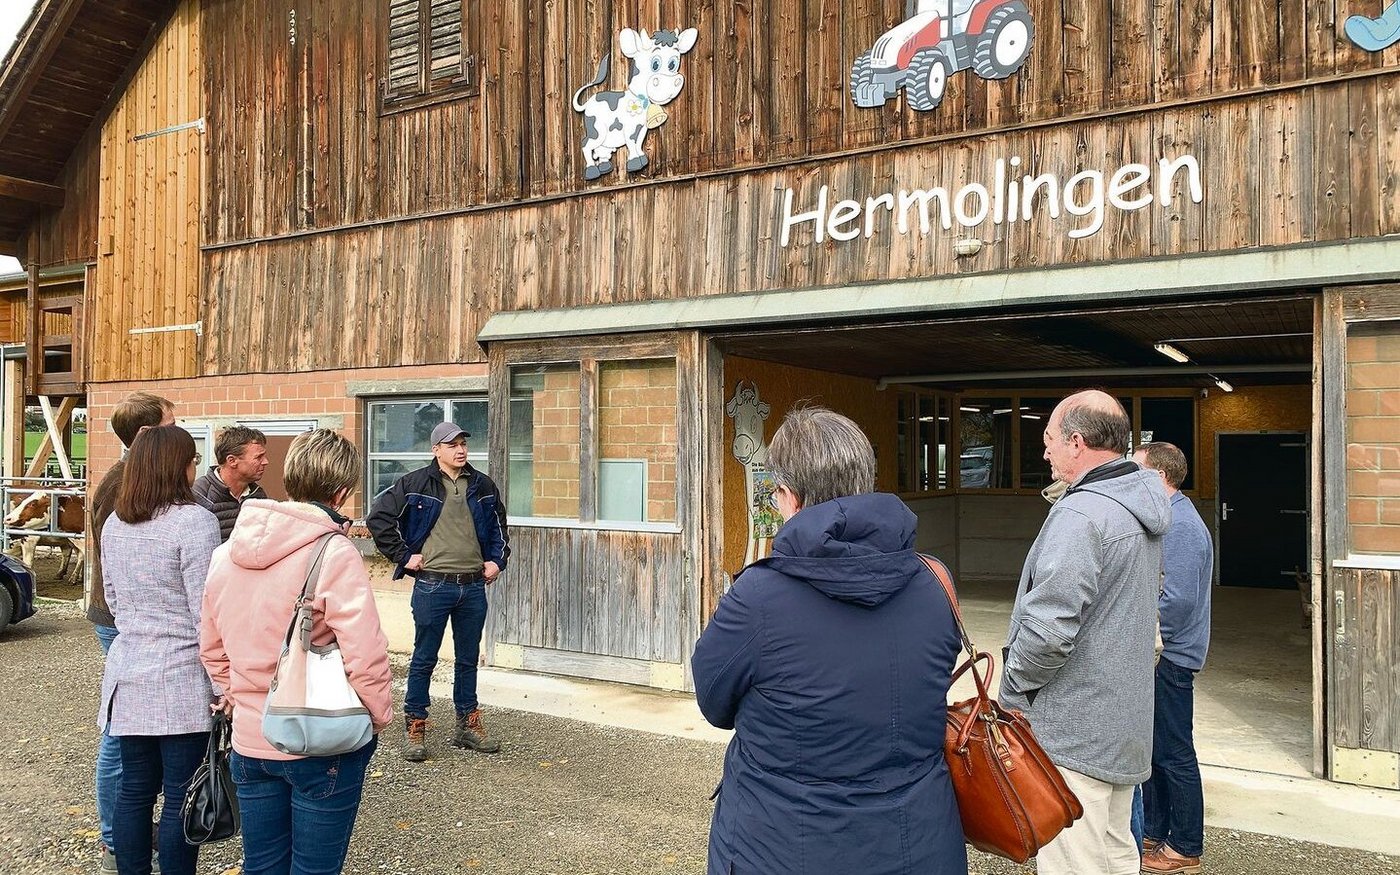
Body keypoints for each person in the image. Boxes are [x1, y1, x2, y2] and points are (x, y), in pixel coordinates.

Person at [691, 406, 967, 875]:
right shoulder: (932, 581)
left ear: (789, 496)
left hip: (781, 845)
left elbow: (714, 703)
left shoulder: (757, 597)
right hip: (919, 842)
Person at [201, 429, 394, 875]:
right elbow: (365, 653)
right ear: (343, 491)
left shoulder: (227, 552)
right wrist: (376, 716)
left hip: (250, 736)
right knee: (314, 868)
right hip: (320, 734)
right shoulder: (334, 552)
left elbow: (211, 647)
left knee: (262, 865)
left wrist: (240, 697)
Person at [998, 390, 1170, 875]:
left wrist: (1013, 692)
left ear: (1077, 442)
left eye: (1049, 440)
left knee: (1073, 859)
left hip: (1074, 730)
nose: (1044, 451)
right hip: (1124, 722)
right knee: (1117, 850)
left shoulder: (1081, 515)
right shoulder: (1144, 506)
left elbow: (1048, 630)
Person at [97, 425, 222, 875]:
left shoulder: (116, 522)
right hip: (182, 675)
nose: (196, 468)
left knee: (134, 790)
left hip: (129, 669)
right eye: (193, 460)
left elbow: (112, 597)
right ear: (178, 466)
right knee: (180, 794)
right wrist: (223, 680)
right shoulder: (195, 522)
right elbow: (205, 612)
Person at [367, 421, 509, 761]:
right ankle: (416, 725)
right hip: (433, 585)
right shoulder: (415, 483)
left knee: (467, 659)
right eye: (451, 444)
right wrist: (404, 556)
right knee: (424, 659)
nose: (460, 449)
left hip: (473, 586)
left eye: (462, 443)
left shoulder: (483, 485)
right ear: (436, 450)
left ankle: (467, 725)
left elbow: (499, 526)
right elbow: (379, 519)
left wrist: (497, 561)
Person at [88, 392, 175, 873]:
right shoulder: (124, 483)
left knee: (134, 734)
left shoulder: (135, 477)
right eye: (171, 423)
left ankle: (129, 828)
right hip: (126, 619)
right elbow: (123, 564)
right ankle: (114, 840)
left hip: (136, 618)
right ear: (146, 435)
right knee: (121, 734)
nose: (179, 429)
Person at [1133, 441, 1213, 875]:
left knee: (1174, 752)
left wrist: (1130, 631)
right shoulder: (1169, 518)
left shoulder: (1180, 526)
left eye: (1136, 472)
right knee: (1157, 750)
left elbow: (1176, 604)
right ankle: (1155, 831)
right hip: (1163, 656)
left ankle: (1184, 846)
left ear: (1158, 476)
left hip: (1172, 659)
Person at [192, 425, 270, 542]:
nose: (265, 462)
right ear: (232, 461)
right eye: (258, 457)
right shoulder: (199, 495)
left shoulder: (258, 495)